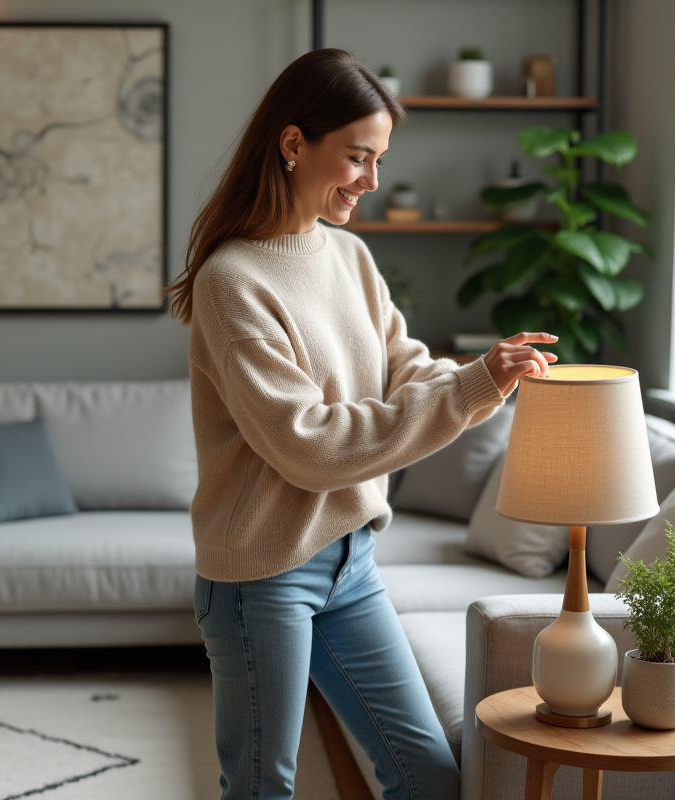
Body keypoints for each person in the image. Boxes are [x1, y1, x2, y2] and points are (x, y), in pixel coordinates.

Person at [164, 48, 558, 800]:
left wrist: (486, 374)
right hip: (263, 574)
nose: (371, 182)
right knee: (261, 788)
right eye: (356, 157)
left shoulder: (349, 257)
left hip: (351, 561)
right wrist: (471, 385)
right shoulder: (232, 282)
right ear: (291, 145)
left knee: (430, 781)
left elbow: (407, 367)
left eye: (379, 160)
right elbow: (307, 444)